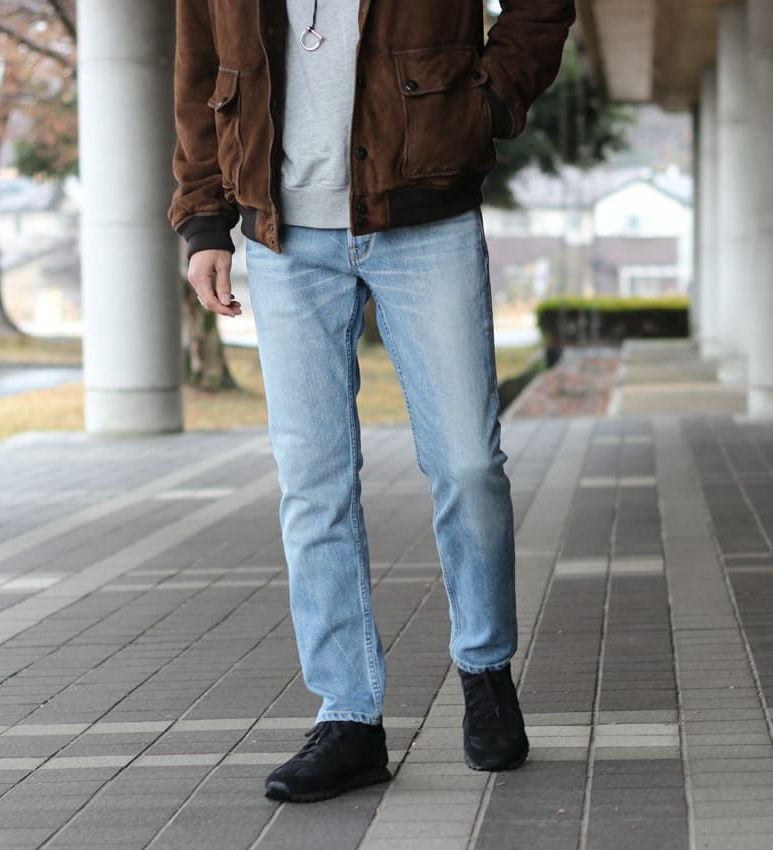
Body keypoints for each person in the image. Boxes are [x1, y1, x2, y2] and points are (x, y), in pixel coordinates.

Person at [168, 0, 576, 804]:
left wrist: (488, 102)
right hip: (283, 234)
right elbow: (197, 67)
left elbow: (542, 8)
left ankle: (486, 672)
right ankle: (348, 715)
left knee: (468, 464)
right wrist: (204, 219)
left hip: (426, 211)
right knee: (313, 482)